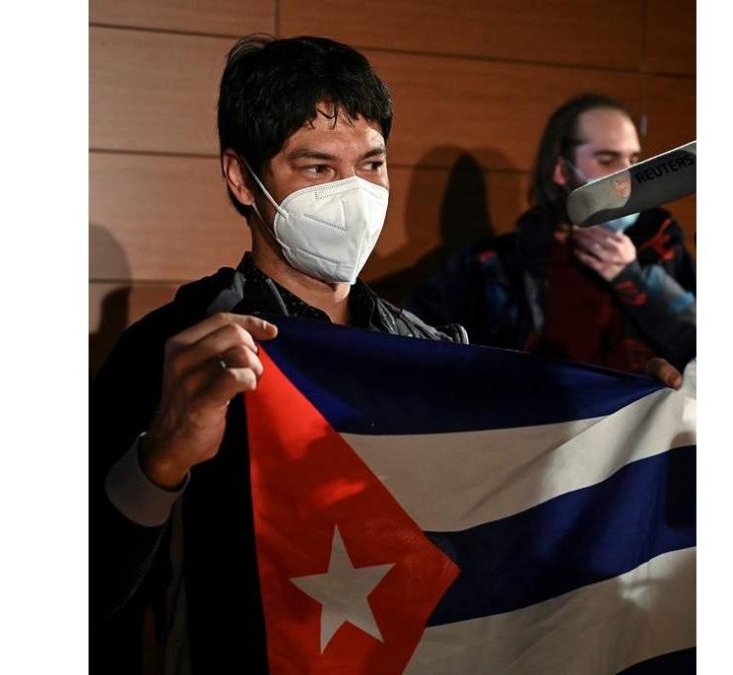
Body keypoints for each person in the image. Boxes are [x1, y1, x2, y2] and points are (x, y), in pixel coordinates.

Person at [90, 42, 684, 674]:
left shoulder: (427, 352)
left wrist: (628, 419)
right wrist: (162, 458)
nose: (352, 194)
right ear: (242, 177)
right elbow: (92, 592)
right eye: (317, 169)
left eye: (371, 164)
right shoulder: (180, 350)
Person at [404, 94, 696, 374]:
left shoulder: (660, 245)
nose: (627, 176)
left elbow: (696, 346)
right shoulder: (495, 265)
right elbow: (413, 343)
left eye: (633, 159)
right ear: (561, 169)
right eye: (607, 160)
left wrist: (634, 281)